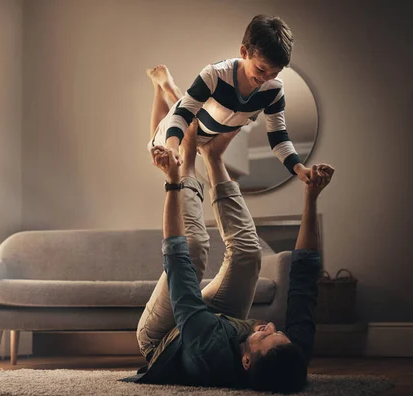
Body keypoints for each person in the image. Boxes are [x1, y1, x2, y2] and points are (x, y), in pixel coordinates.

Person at [123, 126, 335, 391]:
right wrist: (311, 196)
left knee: (194, 249)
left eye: (264, 335)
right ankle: (213, 156)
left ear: (246, 361)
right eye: (278, 332)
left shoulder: (207, 350)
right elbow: (304, 278)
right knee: (248, 254)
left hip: (167, 337)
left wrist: (174, 182)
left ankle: (187, 161)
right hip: (220, 326)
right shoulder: (292, 354)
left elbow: (178, 264)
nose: (269, 325)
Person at [147, 14, 313, 185]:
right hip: (182, 122)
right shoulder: (215, 74)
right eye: (261, 70)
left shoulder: (274, 91)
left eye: (274, 73)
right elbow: (182, 115)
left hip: (208, 132)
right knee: (154, 140)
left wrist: (299, 168)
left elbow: (279, 137)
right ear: (244, 52)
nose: (266, 79)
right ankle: (161, 87)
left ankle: (170, 89)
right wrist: (172, 147)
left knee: (195, 108)